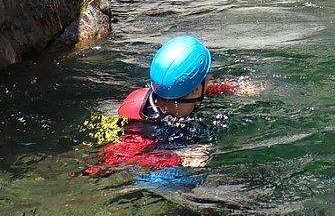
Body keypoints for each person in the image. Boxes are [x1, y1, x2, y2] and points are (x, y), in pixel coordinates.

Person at [83, 35, 262, 179]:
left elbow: (197, 88)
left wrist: (231, 88)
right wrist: (178, 158)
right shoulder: (143, 131)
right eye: (206, 76)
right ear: (195, 91)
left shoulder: (166, 92)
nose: (210, 78)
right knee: (191, 175)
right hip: (140, 156)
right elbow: (110, 163)